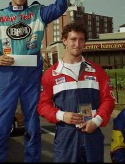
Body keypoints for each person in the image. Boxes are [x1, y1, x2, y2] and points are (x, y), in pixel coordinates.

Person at [0, 0, 76, 162]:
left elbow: (60, 6)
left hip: (31, 74)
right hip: (7, 74)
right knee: (2, 121)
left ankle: (32, 159)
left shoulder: (38, 12)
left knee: (32, 123)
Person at [37, 23, 115, 162]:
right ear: (65, 40)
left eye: (81, 40)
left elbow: (108, 100)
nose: (77, 44)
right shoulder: (51, 74)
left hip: (92, 132)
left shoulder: (97, 71)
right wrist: (62, 115)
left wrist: (96, 121)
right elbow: (42, 105)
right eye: (73, 39)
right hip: (66, 135)